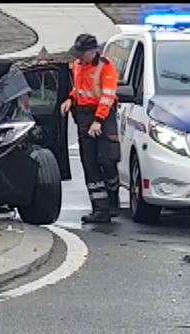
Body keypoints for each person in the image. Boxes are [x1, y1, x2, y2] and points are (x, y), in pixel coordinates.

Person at [60, 34, 120, 223]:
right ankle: (100, 210)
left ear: (93, 52)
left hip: (103, 115)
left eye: (81, 53)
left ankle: (112, 199)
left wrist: (99, 120)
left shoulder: (106, 67)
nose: (78, 57)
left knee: (107, 159)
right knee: (90, 163)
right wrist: (70, 99)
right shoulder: (77, 65)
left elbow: (108, 96)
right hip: (84, 116)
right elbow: (78, 88)